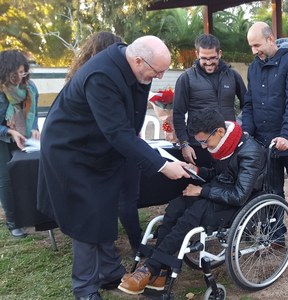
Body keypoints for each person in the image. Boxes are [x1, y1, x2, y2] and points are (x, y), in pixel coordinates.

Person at [37, 36, 190, 300]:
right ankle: (84, 288)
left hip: (101, 150)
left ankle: (109, 272)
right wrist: (163, 165)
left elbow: (128, 124)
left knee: (105, 208)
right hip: (73, 152)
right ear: (139, 60)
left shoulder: (135, 68)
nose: (161, 75)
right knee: (87, 217)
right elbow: (118, 133)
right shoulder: (101, 76)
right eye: (158, 71)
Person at [118, 108, 266, 294]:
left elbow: (239, 195)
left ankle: (151, 268)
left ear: (220, 131)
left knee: (190, 216)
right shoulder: (223, 144)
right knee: (175, 207)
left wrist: (202, 190)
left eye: (204, 141)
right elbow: (219, 175)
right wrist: (196, 170)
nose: (203, 147)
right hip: (217, 192)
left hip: (236, 204)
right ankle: (160, 272)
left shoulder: (251, 152)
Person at [66, 31, 141, 255]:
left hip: (118, 146)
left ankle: (112, 252)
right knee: (114, 202)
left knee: (119, 199)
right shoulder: (98, 78)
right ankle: (119, 248)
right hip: (104, 150)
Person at [243, 22, 288, 263]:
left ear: (271, 39)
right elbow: (249, 104)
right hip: (265, 144)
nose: (254, 51)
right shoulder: (254, 68)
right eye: (251, 46)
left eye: (257, 45)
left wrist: (285, 135)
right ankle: (276, 237)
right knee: (272, 193)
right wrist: (246, 133)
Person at [173, 33, 247, 164]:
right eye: (204, 58)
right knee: (203, 182)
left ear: (220, 53)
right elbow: (178, 114)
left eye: (212, 58)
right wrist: (184, 144)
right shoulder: (186, 78)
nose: (208, 62)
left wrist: (244, 130)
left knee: (228, 183)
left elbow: (247, 105)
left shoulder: (233, 75)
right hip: (199, 146)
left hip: (228, 144)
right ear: (197, 54)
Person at [0, 49, 40, 238]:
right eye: (14, 73)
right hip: (3, 138)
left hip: (22, 136)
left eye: (21, 72)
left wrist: (34, 128)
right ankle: (13, 222)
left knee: (25, 173)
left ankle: (30, 216)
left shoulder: (30, 88)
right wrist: (10, 131)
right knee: (6, 179)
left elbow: (33, 113)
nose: (18, 77)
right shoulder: (1, 91)